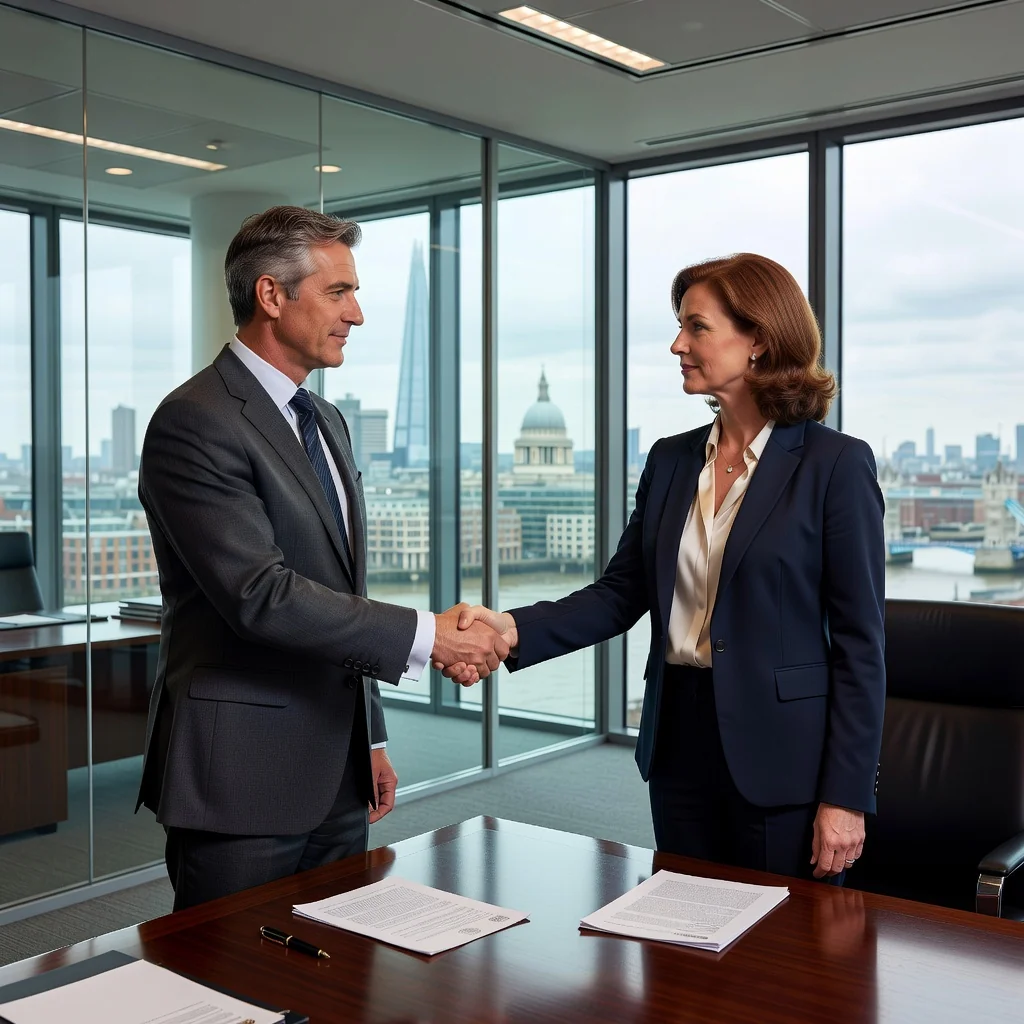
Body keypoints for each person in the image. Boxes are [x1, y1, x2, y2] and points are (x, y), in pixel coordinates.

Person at [447, 253, 885, 882]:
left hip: (784, 756)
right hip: (678, 739)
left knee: (783, 957)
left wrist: (847, 796)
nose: (678, 344)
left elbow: (860, 644)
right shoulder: (673, 460)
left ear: (758, 339)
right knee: (681, 938)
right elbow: (621, 593)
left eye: (696, 327)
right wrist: (509, 629)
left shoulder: (834, 466)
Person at [137, 206, 505, 910]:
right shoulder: (196, 420)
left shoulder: (324, 419)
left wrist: (370, 736)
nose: (357, 314)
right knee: (233, 987)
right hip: (239, 775)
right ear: (272, 295)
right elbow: (261, 595)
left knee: (332, 976)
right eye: (339, 292)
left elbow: (338, 588)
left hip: (337, 768)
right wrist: (431, 635)